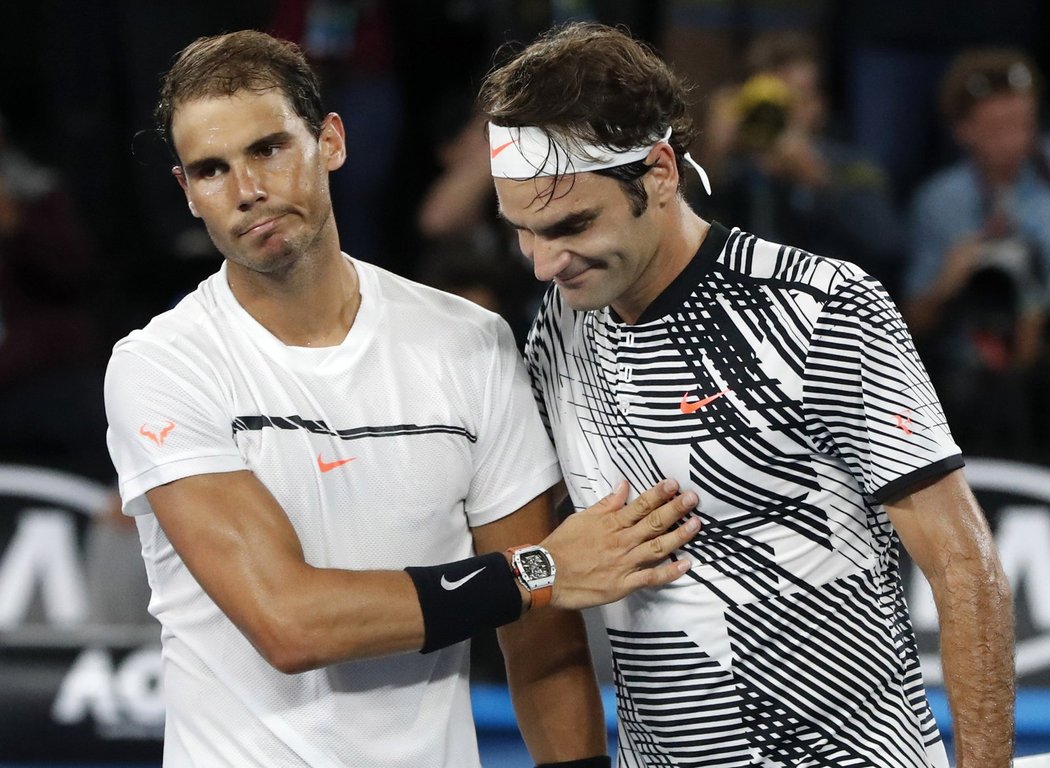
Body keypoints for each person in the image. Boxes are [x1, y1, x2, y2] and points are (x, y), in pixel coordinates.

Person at [103, 30, 702, 768]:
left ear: (331, 141)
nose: (248, 189)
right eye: (211, 169)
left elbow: (541, 646)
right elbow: (289, 623)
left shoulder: (470, 344)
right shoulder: (161, 366)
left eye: (268, 149)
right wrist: (537, 573)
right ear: (187, 192)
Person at [478, 21, 1014, 767]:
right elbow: (540, 590)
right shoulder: (555, 333)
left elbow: (965, 566)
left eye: (570, 225)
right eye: (522, 232)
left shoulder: (823, 307)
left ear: (659, 171)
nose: (542, 264)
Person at [904, 47, 1050, 460]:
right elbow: (912, 322)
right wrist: (947, 282)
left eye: (1025, 123)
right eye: (999, 126)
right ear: (964, 130)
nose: (1016, 139)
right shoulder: (939, 201)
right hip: (965, 373)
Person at [700, 30, 906, 297]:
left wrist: (819, 182)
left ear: (819, 106)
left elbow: (887, 246)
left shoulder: (852, 167)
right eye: (773, 100)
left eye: (797, 96)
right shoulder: (732, 172)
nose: (786, 112)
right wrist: (713, 158)